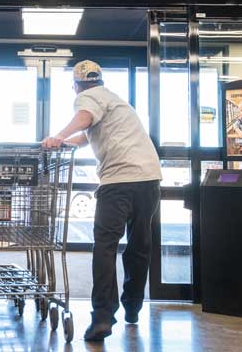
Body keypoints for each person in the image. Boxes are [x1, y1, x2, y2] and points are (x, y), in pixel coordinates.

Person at [43, 60, 161, 341]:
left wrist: (58, 135)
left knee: (105, 247)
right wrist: (62, 143)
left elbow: (84, 117)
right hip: (148, 178)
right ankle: (132, 307)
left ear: (75, 85)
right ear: (100, 79)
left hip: (119, 181)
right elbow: (87, 134)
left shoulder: (86, 97)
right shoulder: (113, 99)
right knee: (139, 246)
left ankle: (103, 318)